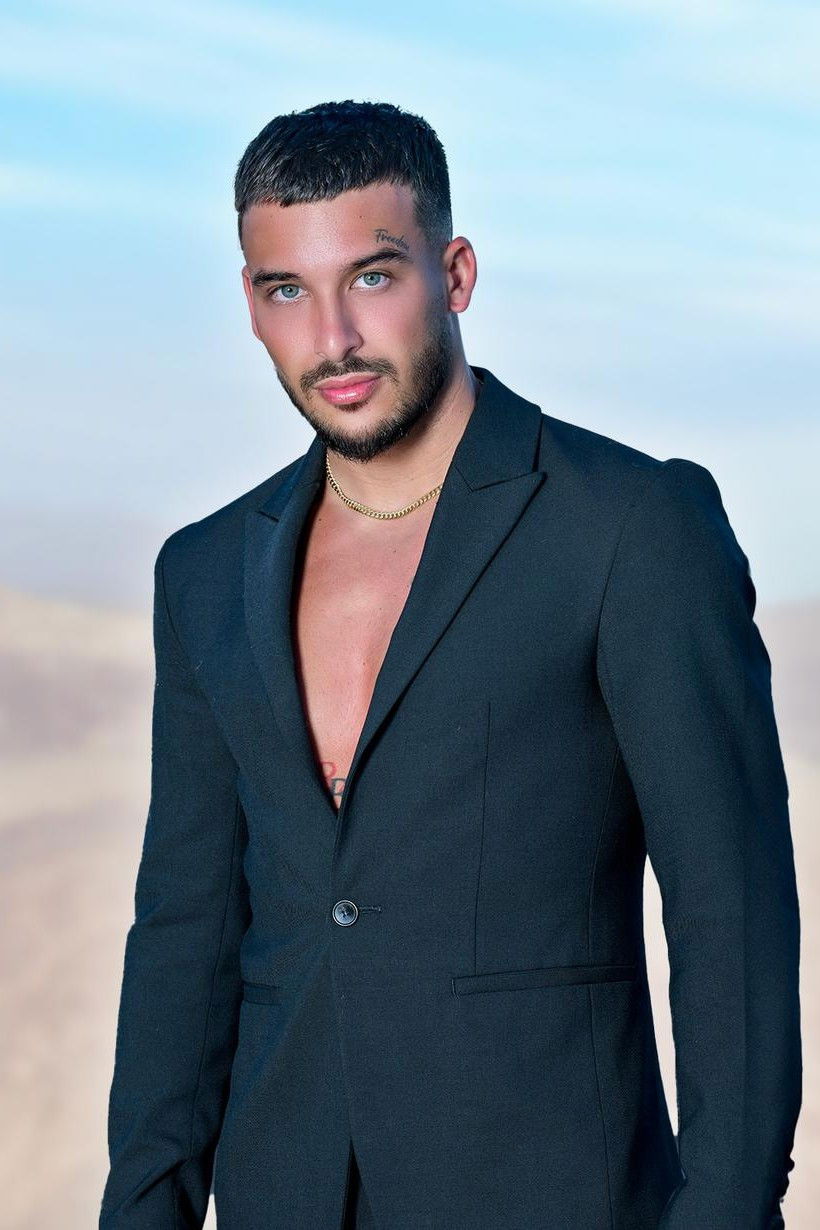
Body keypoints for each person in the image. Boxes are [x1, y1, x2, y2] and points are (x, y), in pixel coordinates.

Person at [99, 99, 802, 1230]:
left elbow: (733, 917)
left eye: (372, 277)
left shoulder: (629, 527)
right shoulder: (206, 571)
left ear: (456, 273)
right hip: (284, 1194)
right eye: (288, 290)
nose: (333, 337)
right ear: (252, 304)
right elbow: (186, 932)